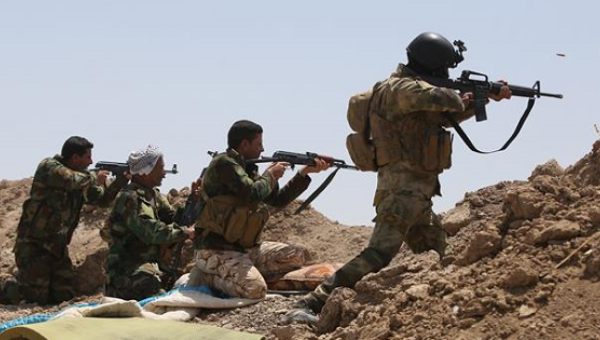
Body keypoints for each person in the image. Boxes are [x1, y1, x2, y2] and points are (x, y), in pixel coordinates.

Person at [296, 32, 512, 313]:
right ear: (433, 64)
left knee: (436, 251)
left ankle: (438, 308)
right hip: (401, 191)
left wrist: (481, 100)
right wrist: (473, 94)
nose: (446, 72)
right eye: (444, 66)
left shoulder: (414, 93)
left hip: (419, 192)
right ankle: (313, 302)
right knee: (379, 253)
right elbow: (436, 98)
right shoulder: (399, 89)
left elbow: (444, 115)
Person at [186, 120, 330, 300]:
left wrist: (304, 173)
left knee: (295, 256)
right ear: (245, 145)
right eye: (259, 144)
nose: (263, 149)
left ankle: (240, 274)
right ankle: (208, 276)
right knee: (255, 290)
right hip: (216, 250)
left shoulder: (249, 170)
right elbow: (251, 193)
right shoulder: (224, 163)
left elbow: (277, 200)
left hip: (246, 250)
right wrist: (270, 175)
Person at [9, 136, 128, 305]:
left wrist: (120, 182)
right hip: (33, 246)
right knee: (33, 297)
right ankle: (6, 287)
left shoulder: (84, 178)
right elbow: (70, 179)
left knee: (63, 296)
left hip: (57, 248)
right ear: (75, 158)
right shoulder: (49, 167)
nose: (91, 161)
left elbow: (100, 200)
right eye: (87, 157)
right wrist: (94, 178)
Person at [103, 145, 196, 301]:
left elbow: (173, 219)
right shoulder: (129, 198)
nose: (164, 173)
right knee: (161, 300)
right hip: (128, 272)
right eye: (161, 168)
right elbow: (151, 232)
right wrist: (185, 232)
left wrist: (193, 201)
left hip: (151, 266)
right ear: (146, 171)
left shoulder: (153, 195)